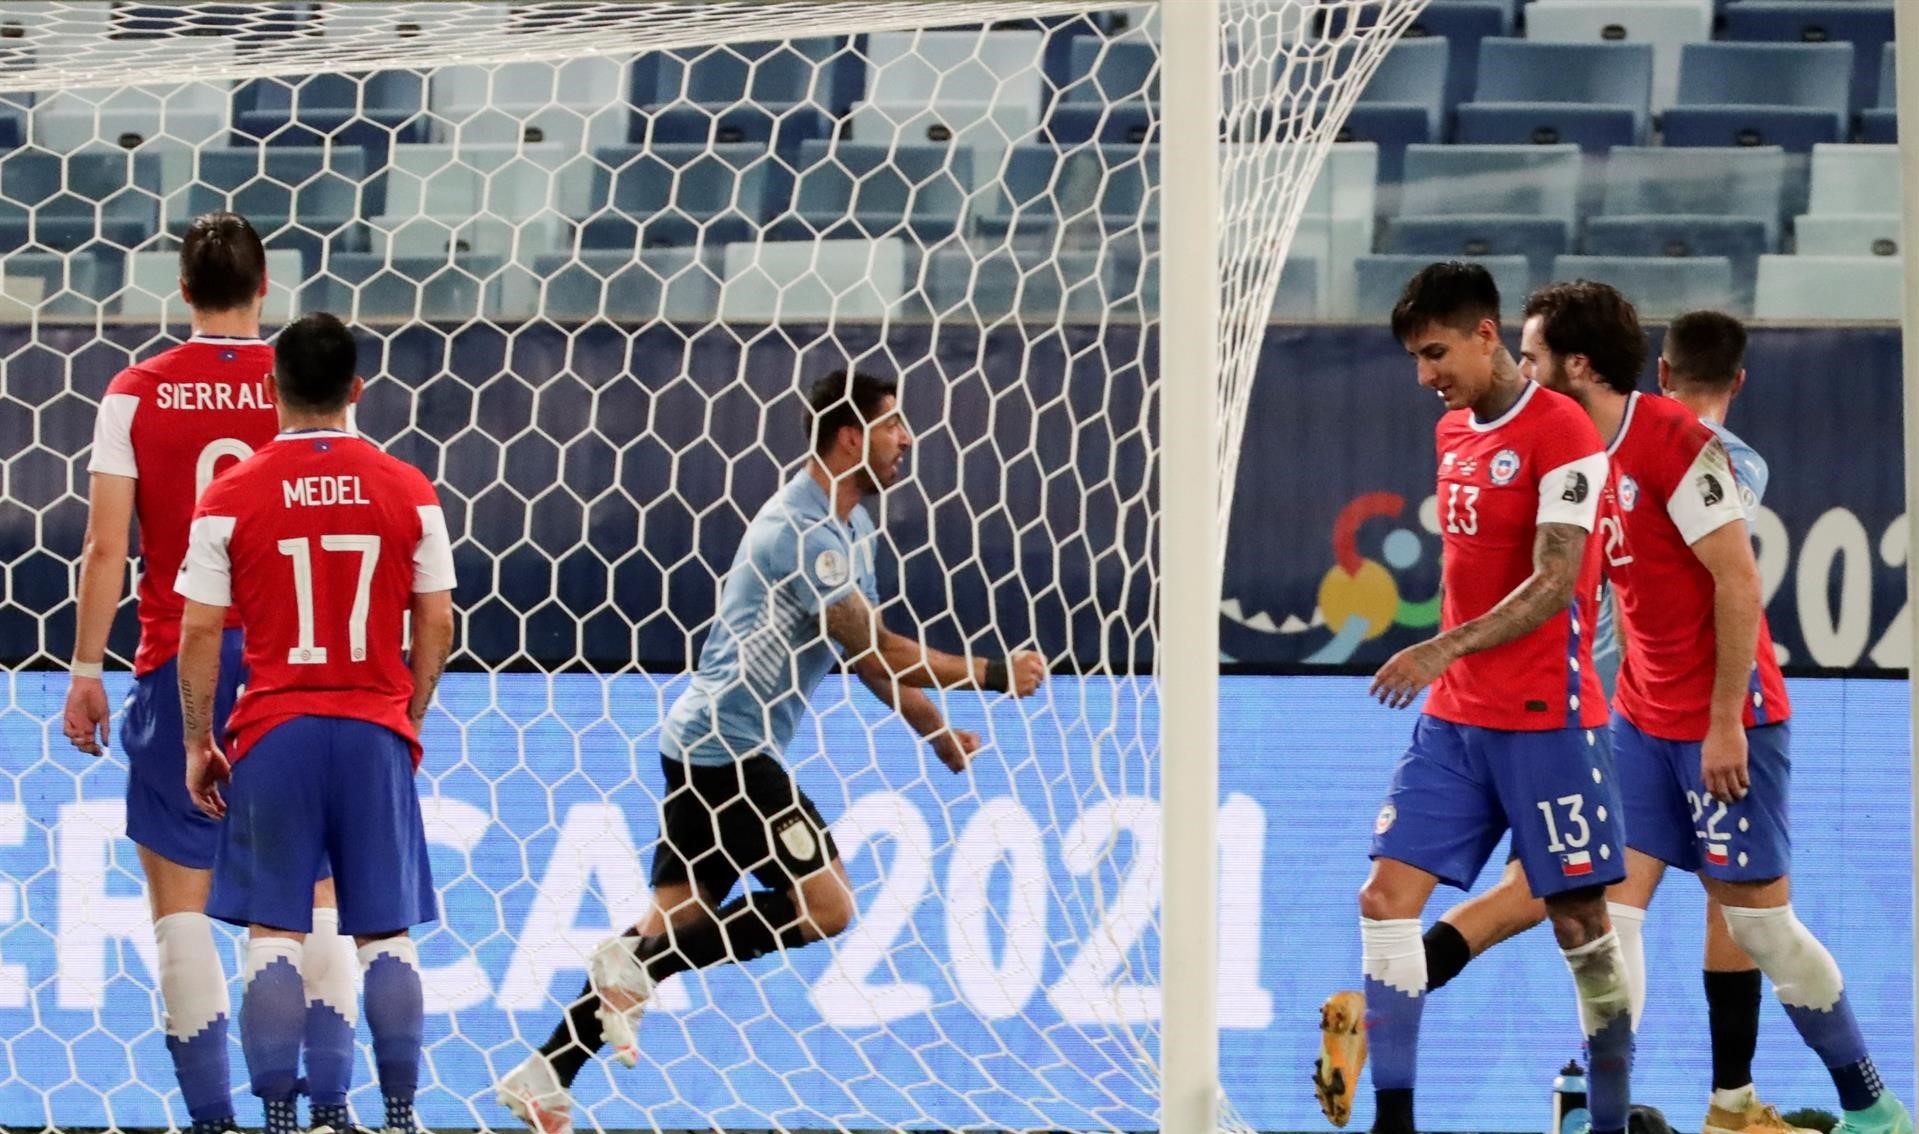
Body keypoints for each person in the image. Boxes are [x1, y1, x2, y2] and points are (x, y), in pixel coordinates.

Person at [496, 368, 1048, 1134]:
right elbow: (877, 646)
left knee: (674, 920)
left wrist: (934, 732)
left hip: (699, 745)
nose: (907, 440)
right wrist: (990, 675)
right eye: (894, 425)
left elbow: (862, 661)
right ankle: (641, 971)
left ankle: (545, 1076)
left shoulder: (854, 531)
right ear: (850, 437)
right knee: (826, 906)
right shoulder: (805, 531)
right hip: (732, 750)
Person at [1517, 281, 1910, 1134]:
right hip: (1638, 717)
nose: (1520, 371)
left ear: (1582, 366)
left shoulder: (1685, 447)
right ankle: (1598, 1101)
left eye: (1530, 356)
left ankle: (1873, 1108)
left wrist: (1725, 720)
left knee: (1758, 928)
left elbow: (1737, 579)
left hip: (1725, 721)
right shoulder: (1576, 451)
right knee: (1610, 910)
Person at [1426, 307, 1801, 1134]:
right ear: (1735, 381)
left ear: (1651, 373)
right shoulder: (1723, 461)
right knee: (1716, 900)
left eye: (1531, 358)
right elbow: (1721, 555)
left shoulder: (1547, 447)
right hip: (1626, 708)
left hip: (1566, 702)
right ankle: (1716, 1102)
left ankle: (1402, 992)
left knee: (1561, 898)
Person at [1314, 262, 1633, 1134]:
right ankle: (1394, 1121)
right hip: (1455, 718)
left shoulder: (1562, 431)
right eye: (1416, 360)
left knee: (1579, 922)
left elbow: (1556, 581)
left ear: (1485, 335)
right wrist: (1449, 663)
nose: (1425, 377)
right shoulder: (1454, 429)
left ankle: (1604, 1118)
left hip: (1546, 721)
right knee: (1383, 901)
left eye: (1434, 354)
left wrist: (1439, 646)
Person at [59, 213, 356, 1134]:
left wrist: (83, 669)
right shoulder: (302, 383)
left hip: (175, 661)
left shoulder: (133, 392)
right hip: (290, 670)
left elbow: (110, 545)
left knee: (180, 911)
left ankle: (215, 1123)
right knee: (310, 904)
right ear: (264, 288)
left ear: (182, 291)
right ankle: (329, 1113)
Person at [176, 312, 458, 1134]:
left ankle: (276, 1121)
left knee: (274, 931)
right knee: (384, 932)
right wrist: (406, 715)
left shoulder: (229, 494)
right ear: (357, 391)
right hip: (372, 730)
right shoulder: (411, 489)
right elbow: (435, 620)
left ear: (271, 392)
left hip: (275, 733)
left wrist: (201, 740)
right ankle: (400, 1112)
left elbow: (199, 630)